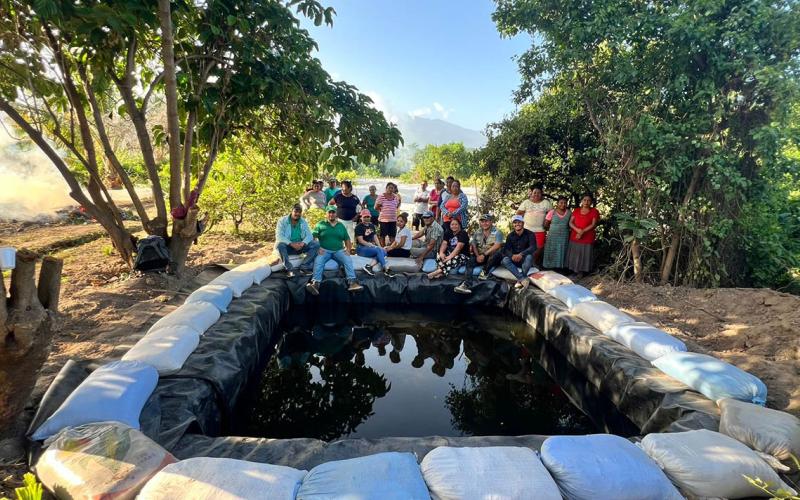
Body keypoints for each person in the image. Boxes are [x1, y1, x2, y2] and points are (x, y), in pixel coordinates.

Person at [306, 205, 363, 295]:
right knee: (318, 260)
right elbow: (312, 237)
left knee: (347, 259)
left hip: (339, 251)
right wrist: (318, 247)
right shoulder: (320, 224)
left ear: (336, 214)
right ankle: (316, 284)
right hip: (324, 250)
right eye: (329, 212)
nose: (331, 214)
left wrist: (348, 249)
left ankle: (352, 283)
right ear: (326, 214)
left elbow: (347, 239)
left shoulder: (341, 226)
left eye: (333, 212)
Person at [454, 214, 504, 294]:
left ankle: (484, 272)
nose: (484, 223)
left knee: (499, 253)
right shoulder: (477, 232)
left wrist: (484, 255)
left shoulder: (497, 232)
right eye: (482, 221)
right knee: (470, 262)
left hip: (491, 256)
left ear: (491, 222)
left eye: (486, 221)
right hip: (480, 255)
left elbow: (497, 245)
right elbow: (473, 245)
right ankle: (466, 284)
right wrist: (477, 256)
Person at [274, 204, 320, 278]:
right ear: (291, 211)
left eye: (299, 212)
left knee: (316, 244)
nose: (297, 214)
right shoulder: (282, 221)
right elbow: (279, 236)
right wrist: (291, 244)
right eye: (295, 211)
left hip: (300, 246)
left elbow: (309, 235)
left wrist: (303, 243)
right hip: (288, 246)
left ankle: (304, 267)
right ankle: (289, 269)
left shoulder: (303, 221)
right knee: (280, 245)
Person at [566, 192, 600, 278]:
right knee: (575, 253)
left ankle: (581, 272)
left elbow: (593, 224)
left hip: (587, 236)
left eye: (589, 200)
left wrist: (582, 232)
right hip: (575, 236)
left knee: (584, 254)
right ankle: (574, 271)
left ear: (591, 202)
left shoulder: (594, 211)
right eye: (584, 200)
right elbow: (570, 222)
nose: (586, 202)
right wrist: (577, 230)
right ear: (582, 201)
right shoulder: (576, 210)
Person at [517, 184, 552, 265]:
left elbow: (552, 214)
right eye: (534, 192)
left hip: (540, 230)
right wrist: (519, 227)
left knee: (539, 248)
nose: (536, 194)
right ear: (531, 193)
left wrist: (547, 223)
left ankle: (533, 263)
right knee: (525, 248)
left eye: (539, 193)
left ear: (542, 193)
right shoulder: (526, 202)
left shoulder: (546, 203)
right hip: (526, 230)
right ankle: (524, 264)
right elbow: (518, 214)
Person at [355, 209, 395, 278]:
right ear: (361, 217)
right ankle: (386, 269)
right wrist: (372, 245)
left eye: (368, 217)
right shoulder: (358, 227)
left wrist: (380, 246)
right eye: (365, 217)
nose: (366, 218)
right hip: (361, 248)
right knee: (379, 250)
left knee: (384, 252)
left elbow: (375, 237)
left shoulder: (371, 225)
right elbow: (361, 241)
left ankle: (369, 266)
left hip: (369, 247)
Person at [502, 214, 537, 288]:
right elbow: (506, 249)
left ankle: (521, 278)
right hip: (515, 259)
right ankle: (522, 278)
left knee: (529, 257)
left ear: (523, 223)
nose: (517, 224)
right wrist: (512, 256)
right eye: (515, 222)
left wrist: (521, 254)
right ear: (513, 224)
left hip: (525, 259)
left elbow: (533, 247)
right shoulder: (510, 236)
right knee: (505, 260)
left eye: (519, 222)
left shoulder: (530, 234)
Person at [543, 195, 572, 269]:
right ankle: (549, 267)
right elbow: (546, 224)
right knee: (551, 250)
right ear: (557, 203)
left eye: (565, 203)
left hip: (564, 235)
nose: (563, 204)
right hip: (552, 235)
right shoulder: (552, 212)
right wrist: (553, 229)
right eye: (561, 203)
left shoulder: (569, 213)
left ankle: (560, 268)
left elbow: (571, 224)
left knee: (562, 250)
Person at [329, 180, 360, 245]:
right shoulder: (338, 196)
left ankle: (350, 250)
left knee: (350, 236)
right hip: (340, 220)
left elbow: (361, 208)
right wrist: (334, 213)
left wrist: (356, 216)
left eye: (345, 189)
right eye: (342, 188)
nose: (343, 190)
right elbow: (330, 204)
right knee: (340, 236)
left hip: (351, 221)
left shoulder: (355, 198)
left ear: (350, 188)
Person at [375, 182, 401, 246]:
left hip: (393, 220)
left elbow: (396, 206)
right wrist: (382, 210)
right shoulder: (381, 196)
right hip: (383, 220)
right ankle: (383, 248)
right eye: (389, 188)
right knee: (382, 235)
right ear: (386, 188)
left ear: (394, 189)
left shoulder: (396, 197)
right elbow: (376, 207)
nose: (391, 189)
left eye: (392, 188)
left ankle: (391, 249)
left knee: (392, 235)